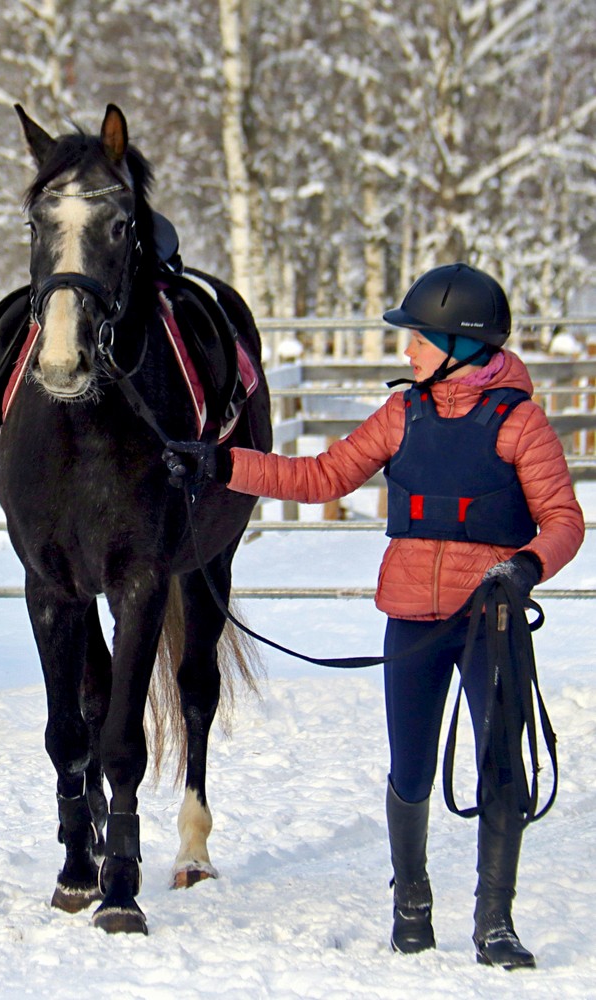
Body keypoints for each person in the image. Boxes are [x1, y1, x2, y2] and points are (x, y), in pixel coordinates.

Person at [162, 262, 585, 969]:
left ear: (459, 344)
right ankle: (410, 907)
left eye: (418, 338)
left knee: (498, 763)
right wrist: (221, 465)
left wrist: (526, 566)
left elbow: (562, 519)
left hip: (491, 623)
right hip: (412, 619)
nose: (407, 351)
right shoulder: (402, 414)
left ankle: (494, 922)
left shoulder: (520, 424)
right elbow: (320, 475)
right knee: (410, 766)